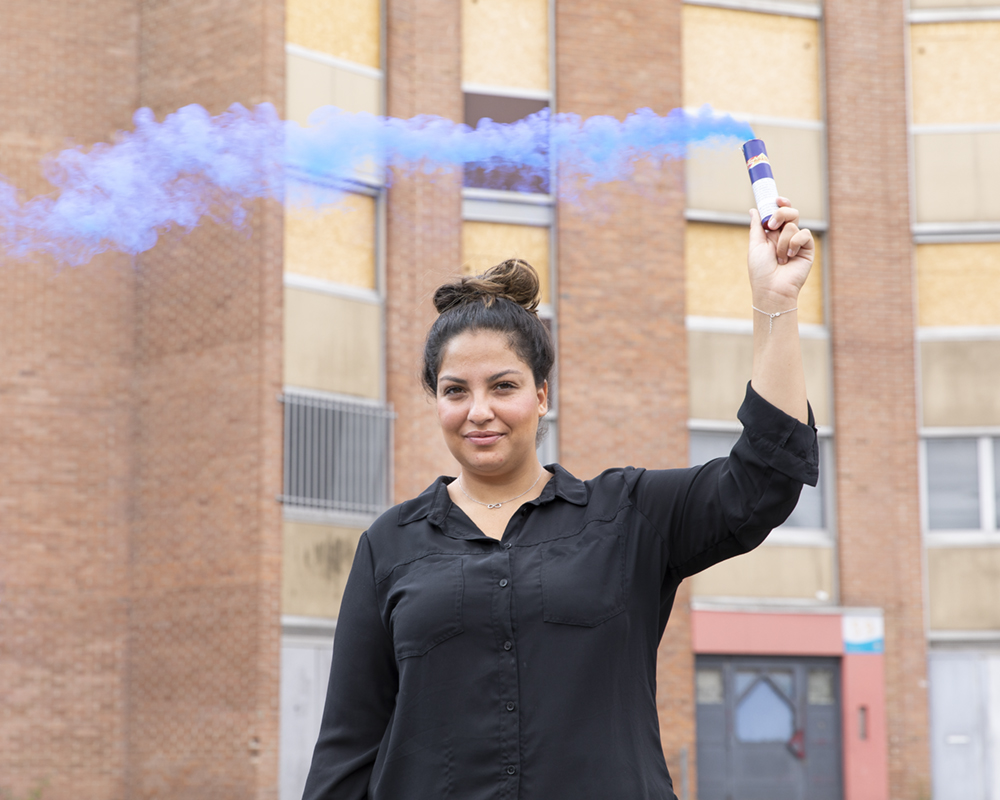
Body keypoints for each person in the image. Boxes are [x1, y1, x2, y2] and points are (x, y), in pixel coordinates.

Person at [302, 200, 819, 800]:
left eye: (503, 386)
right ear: (436, 400)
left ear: (542, 394)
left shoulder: (630, 515)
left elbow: (764, 479)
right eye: (455, 390)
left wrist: (775, 303)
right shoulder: (388, 546)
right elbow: (347, 752)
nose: (479, 411)